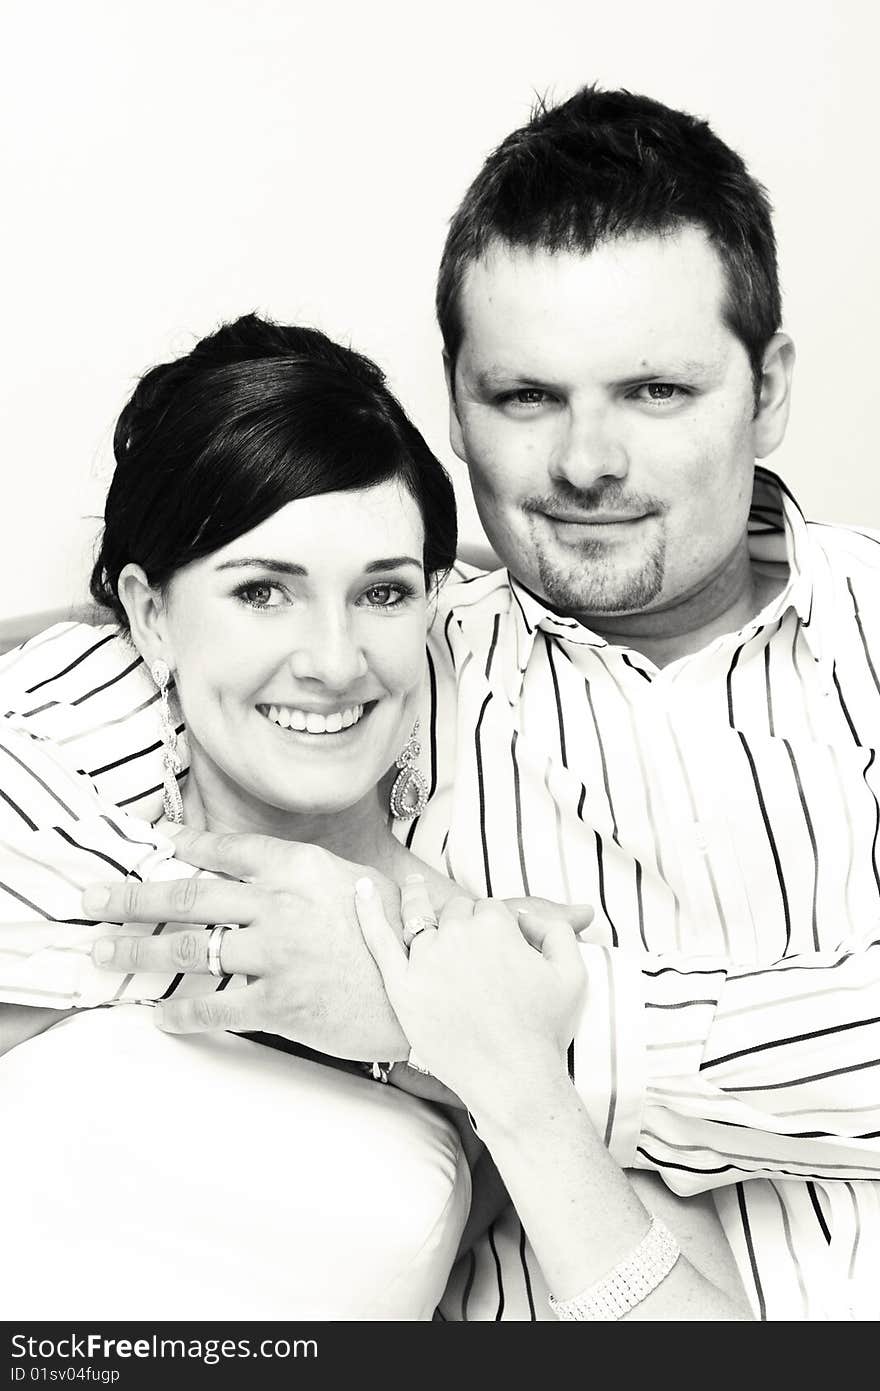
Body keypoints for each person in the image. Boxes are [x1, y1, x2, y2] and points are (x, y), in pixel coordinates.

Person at [4, 83, 880, 1319]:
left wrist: (453, 1017)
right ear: (458, 407)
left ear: (768, 386)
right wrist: (325, 950)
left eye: (655, 392)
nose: (586, 462)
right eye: (526, 396)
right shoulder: (388, 643)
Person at [0, 310, 743, 1321]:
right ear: (149, 614)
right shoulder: (51, 865)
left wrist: (489, 1067)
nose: (336, 660)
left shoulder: (491, 953)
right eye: (264, 591)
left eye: (384, 594)